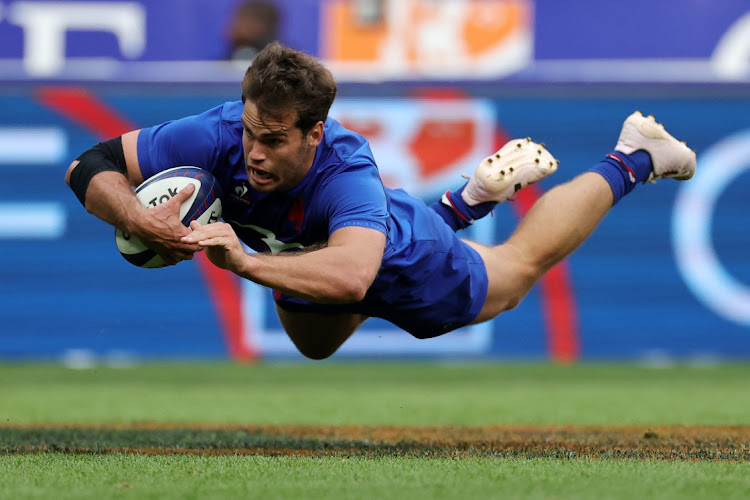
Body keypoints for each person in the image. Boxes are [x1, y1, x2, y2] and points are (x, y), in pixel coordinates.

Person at [65, 43, 696, 360]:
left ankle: (633, 156)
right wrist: (137, 216)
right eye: (251, 131)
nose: (255, 152)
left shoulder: (346, 171)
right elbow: (87, 165)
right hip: (316, 247)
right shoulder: (217, 133)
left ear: (314, 133)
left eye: (275, 140)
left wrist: (244, 261)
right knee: (314, 344)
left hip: (383, 255)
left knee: (518, 268)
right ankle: (454, 207)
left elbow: (352, 274)